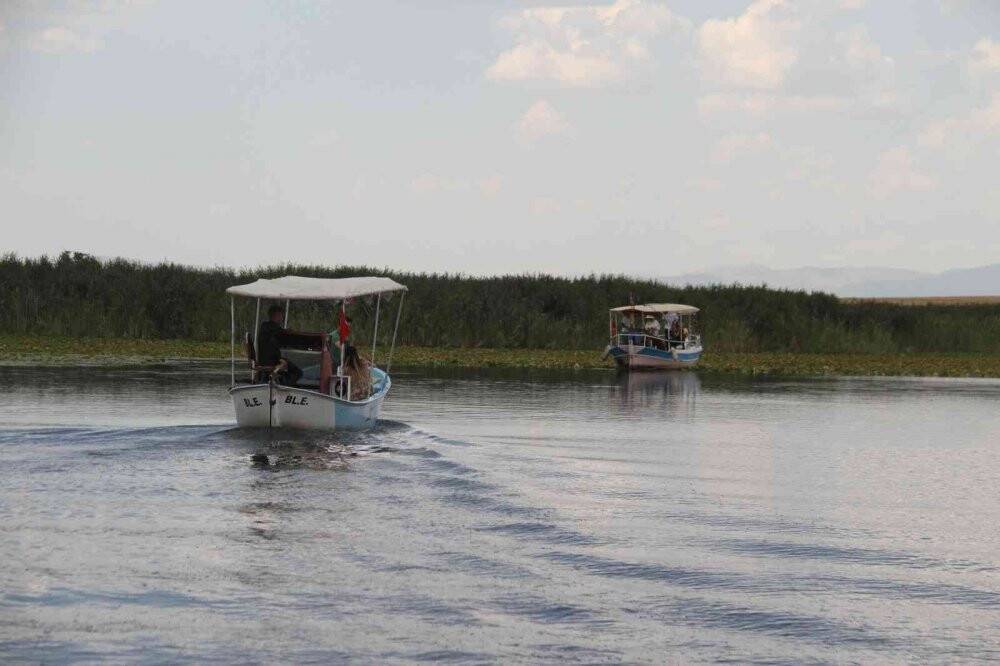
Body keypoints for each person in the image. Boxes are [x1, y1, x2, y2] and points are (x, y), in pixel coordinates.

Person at [257, 304, 303, 386]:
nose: (282, 318)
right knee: (298, 372)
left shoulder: (265, 327)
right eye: (282, 315)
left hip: (264, 360)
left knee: (288, 363)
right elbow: (284, 337)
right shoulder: (274, 328)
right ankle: (284, 385)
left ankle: (281, 381)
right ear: (277, 315)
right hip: (272, 361)